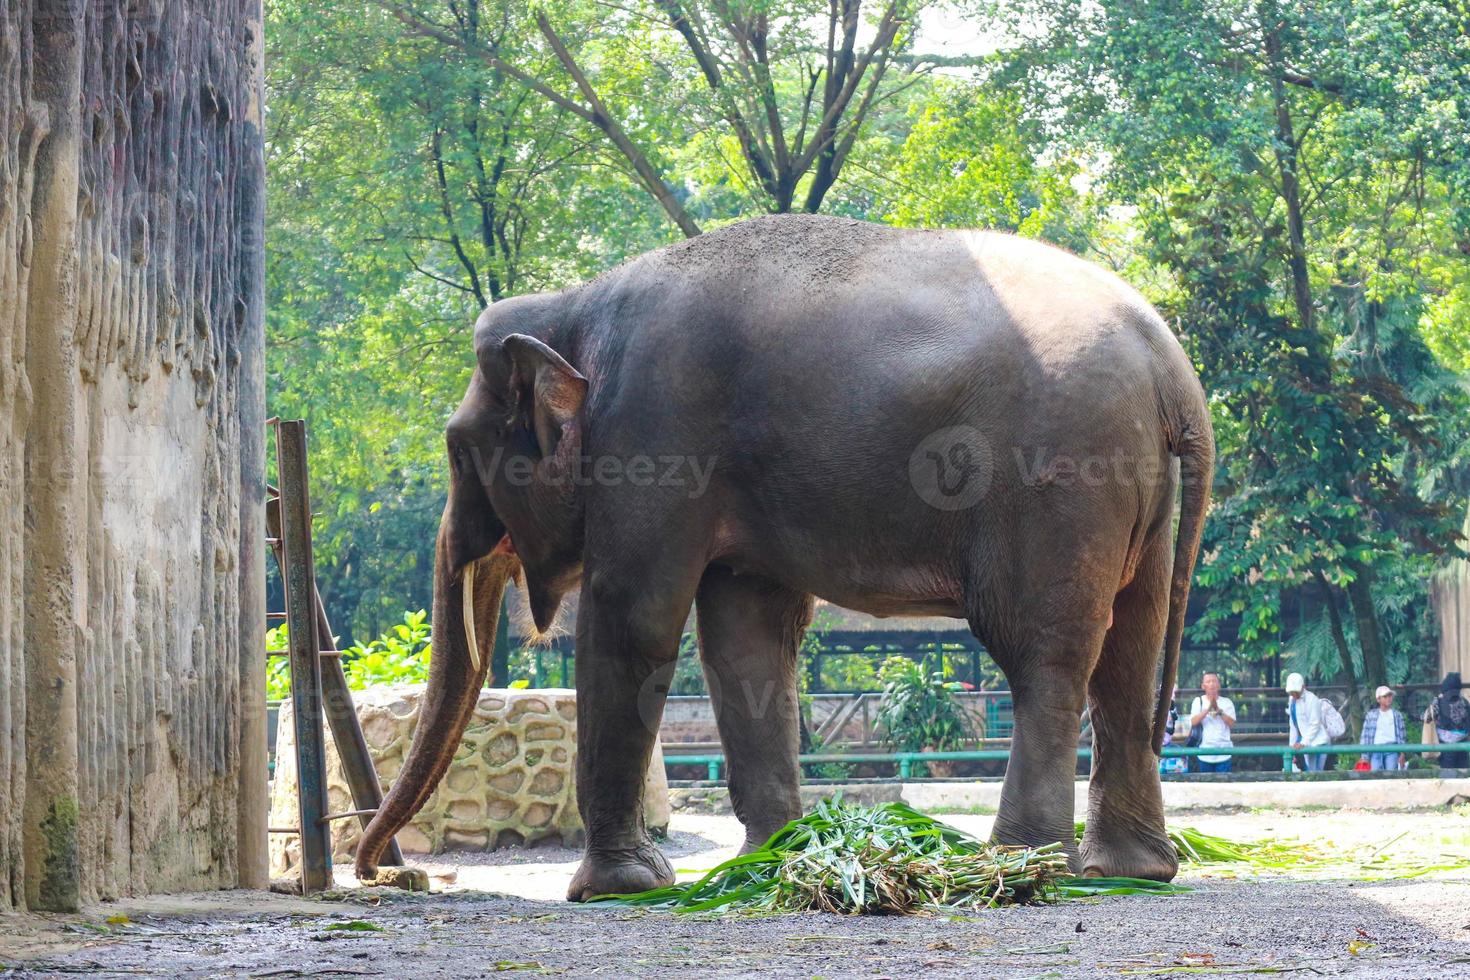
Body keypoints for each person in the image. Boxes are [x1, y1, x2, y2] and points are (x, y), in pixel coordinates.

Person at [1189, 672, 1236, 773]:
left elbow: (1232, 723)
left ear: (1219, 685)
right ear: (1203, 686)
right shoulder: (1198, 701)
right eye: (1208, 681)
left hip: (1224, 752)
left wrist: (1219, 711)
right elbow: (1193, 722)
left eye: (1214, 681)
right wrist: (1207, 710)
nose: (1211, 684)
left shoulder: (1227, 702)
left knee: (1223, 784)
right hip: (1204, 751)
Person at [1285, 672, 1331, 771]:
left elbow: (1315, 724)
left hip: (1318, 742)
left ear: (1303, 687)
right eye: (1291, 692)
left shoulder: (1312, 700)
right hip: (1305, 742)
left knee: (1315, 772)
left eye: (1296, 691)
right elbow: (1293, 725)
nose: (1294, 694)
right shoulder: (1292, 701)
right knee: (1309, 770)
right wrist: (1291, 746)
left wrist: (1303, 742)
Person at [1359, 685, 1405, 771]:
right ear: (1378, 699)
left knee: (1391, 775)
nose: (1388, 698)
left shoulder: (1397, 715)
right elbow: (1365, 735)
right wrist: (1364, 755)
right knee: (1376, 775)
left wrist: (1402, 753)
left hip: (1392, 748)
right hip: (1375, 748)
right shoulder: (1371, 715)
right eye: (1385, 696)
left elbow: (1402, 735)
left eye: (1390, 696)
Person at [1429, 672, 1470, 769]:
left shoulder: (1438, 702)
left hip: (1446, 745)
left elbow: (1427, 717)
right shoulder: (1464, 701)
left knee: (1448, 774)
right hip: (1463, 743)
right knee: (1463, 772)